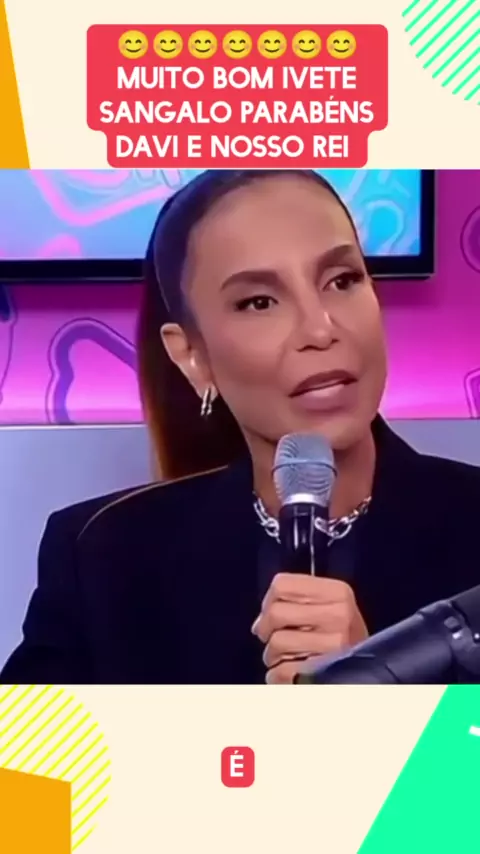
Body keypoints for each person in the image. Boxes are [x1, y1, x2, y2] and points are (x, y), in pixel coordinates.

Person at [2, 168, 480, 686]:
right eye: (258, 302)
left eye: (342, 280)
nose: (320, 328)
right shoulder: (102, 554)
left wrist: (386, 696)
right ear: (191, 355)